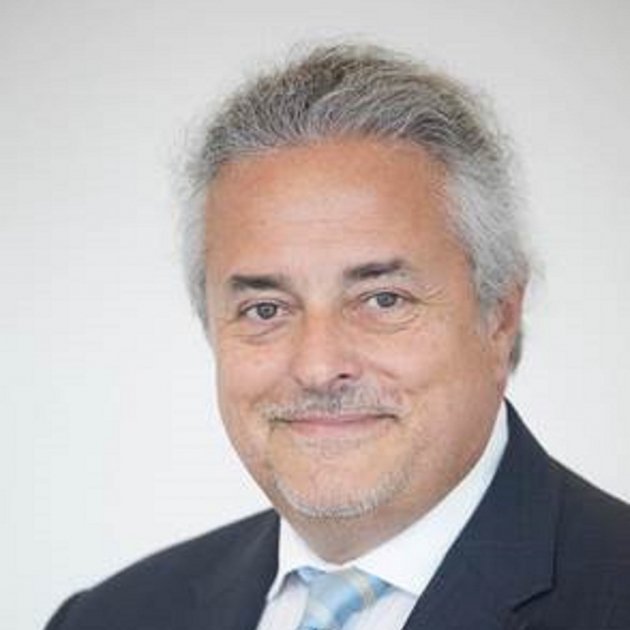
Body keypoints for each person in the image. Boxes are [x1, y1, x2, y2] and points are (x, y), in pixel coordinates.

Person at [45, 43, 630, 630]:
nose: (319, 367)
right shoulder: (108, 617)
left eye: (382, 299)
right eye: (265, 309)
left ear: (499, 316)